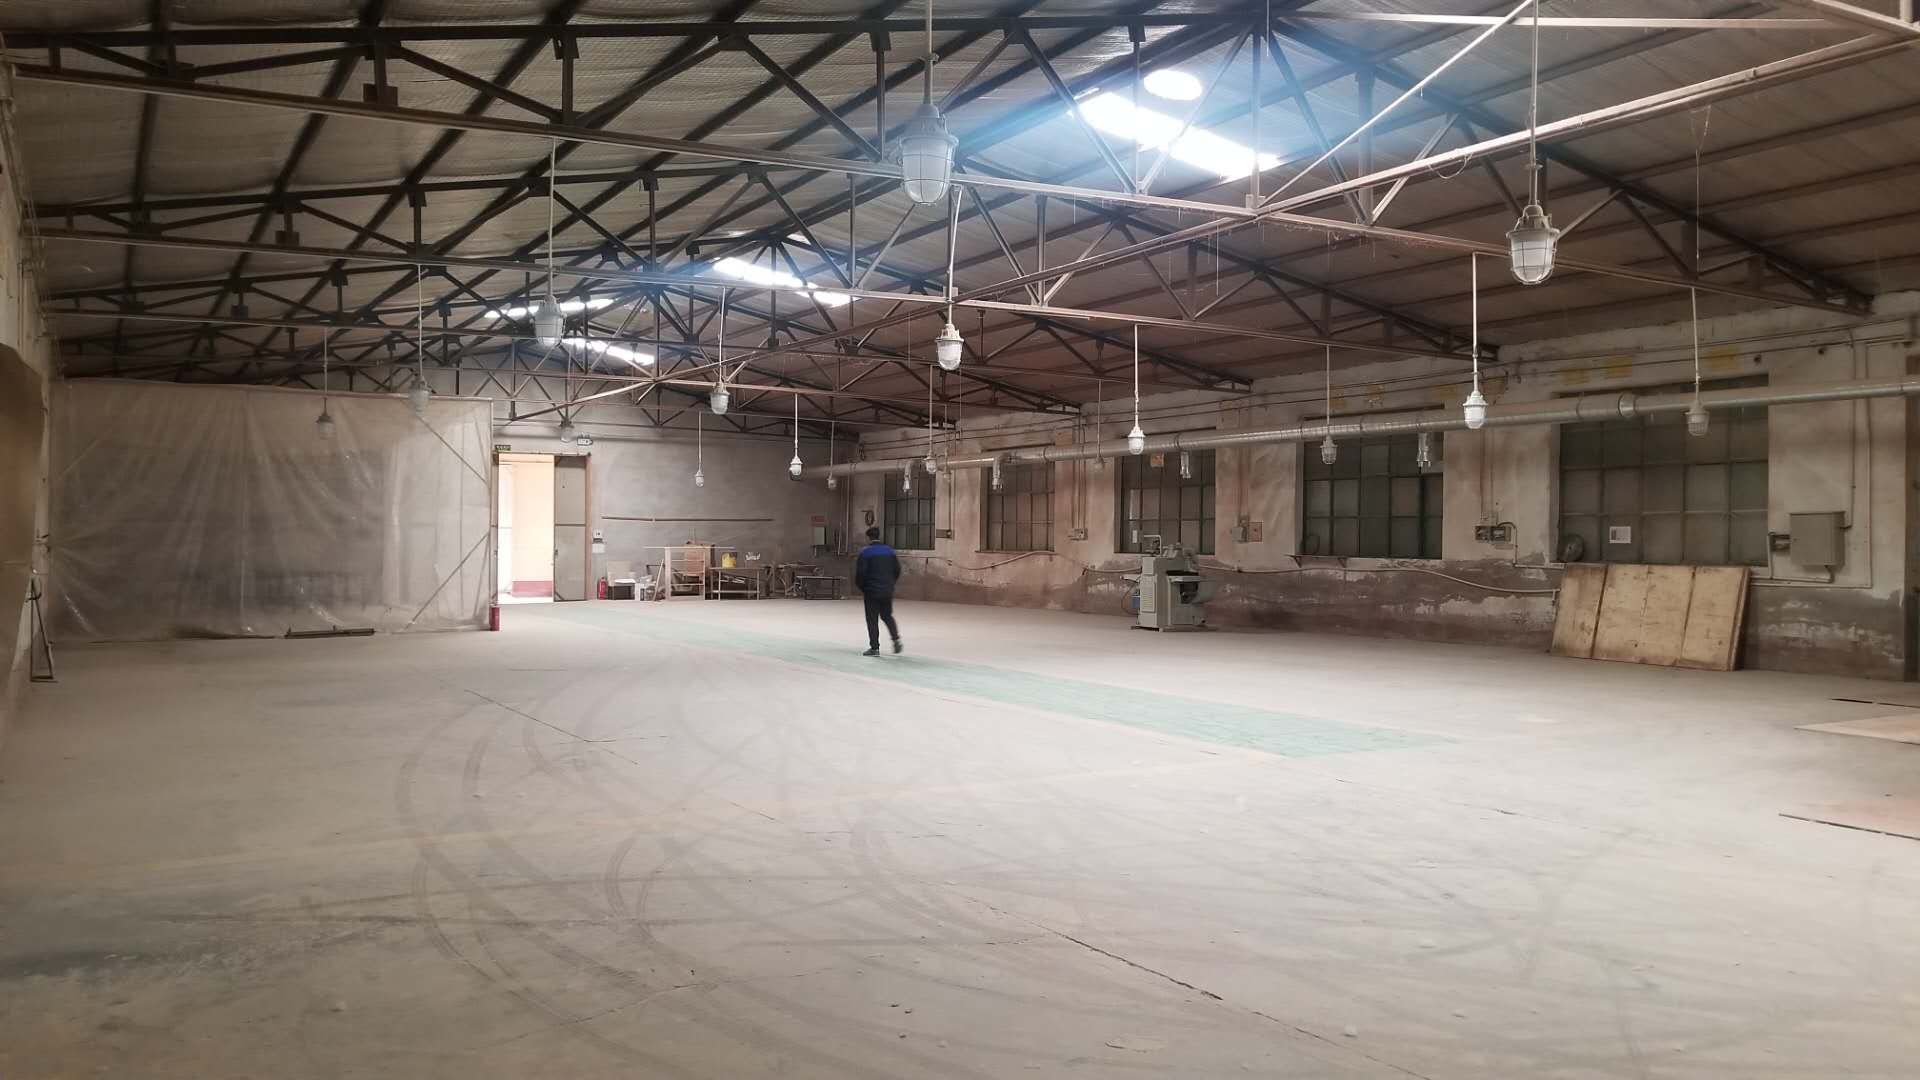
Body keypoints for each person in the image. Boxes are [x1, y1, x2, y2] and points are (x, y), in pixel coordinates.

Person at [853, 526, 903, 656]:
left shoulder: (865, 552)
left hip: (871, 591)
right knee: (887, 616)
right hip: (887, 590)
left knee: (872, 619)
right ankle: (896, 639)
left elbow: (861, 573)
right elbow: (897, 570)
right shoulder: (889, 551)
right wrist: (890, 584)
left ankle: (874, 648)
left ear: (868, 537)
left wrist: (863, 587)